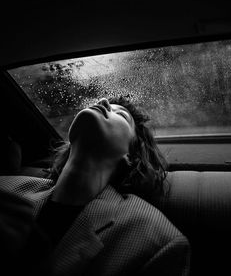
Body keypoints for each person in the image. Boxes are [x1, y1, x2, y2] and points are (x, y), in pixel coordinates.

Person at [0, 96, 191, 275]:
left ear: (130, 154)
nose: (103, 101)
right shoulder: (5, 188)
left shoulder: (157, 241)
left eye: (121, 114)